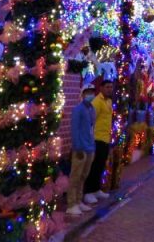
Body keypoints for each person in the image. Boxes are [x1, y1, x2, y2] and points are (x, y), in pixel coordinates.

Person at [67, 81, 97, 216]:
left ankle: (79, 200)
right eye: (88, 93)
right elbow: (74, 129)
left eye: (92, 93)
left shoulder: (91, 109)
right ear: (83, 94)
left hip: (90, 146)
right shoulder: (78, 109)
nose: (90, 95)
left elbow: (92, 128)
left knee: (83, 176)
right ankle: (71, 203)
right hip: (80, 148)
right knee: (75, 176)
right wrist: (77, 146)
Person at [84, 78, 114, 204]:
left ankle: (96, 189)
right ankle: (88, 192)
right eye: (107, 87)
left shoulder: (109, 101)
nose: (109, 89)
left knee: (100, 165)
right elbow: (90, 119)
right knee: (94, 166)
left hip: (105, 138)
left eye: (111, 87)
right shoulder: (97, 101)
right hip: (96, 138)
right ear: (101, 88)